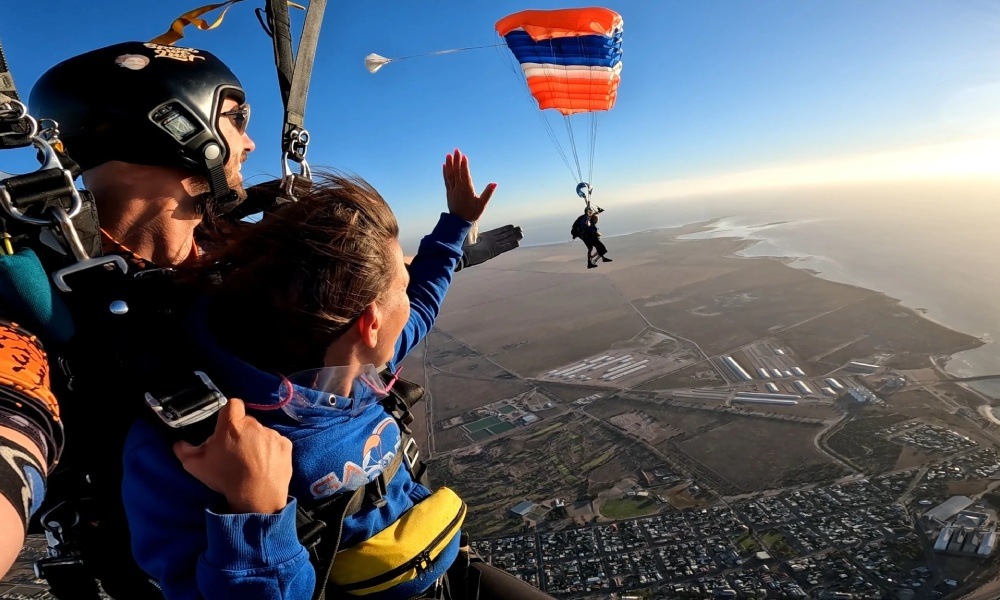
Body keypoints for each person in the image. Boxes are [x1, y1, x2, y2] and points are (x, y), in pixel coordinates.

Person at [122, 152, 553, 599]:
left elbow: (422, 303)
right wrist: (255, 513)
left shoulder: (354, 365)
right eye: (398, 287)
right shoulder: (196, 440)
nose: (409, 303)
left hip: (443, 568)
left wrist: (456, 225)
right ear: (369, 324)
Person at [0, 40, 255, 590]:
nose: (251, 142)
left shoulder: (248, 248)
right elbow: (11, 415)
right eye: (236, 117)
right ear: (179, 125)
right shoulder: (32, 296)